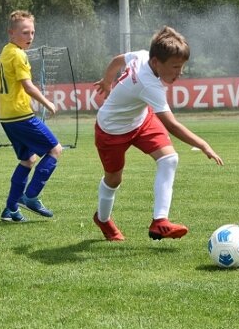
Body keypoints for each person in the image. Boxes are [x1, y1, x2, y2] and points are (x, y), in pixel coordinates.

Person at [92, 26, 224, 241]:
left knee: (169, 159)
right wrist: (203, 144)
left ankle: (160, 222)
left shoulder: (144, 55)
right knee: (114, 179)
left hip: (142, 120)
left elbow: (118, 59)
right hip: (111, 130)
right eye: (174, 67)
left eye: (181, 67)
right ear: (156, 63)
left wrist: (107, 81)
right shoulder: (149, 84)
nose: (179, 73)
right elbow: (172, 125)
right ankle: (103, 219)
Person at [0, 10, 63, 223]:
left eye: (32, 32)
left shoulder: (5, 52)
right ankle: (31, 197)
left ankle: (11, 209)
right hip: (21, 115)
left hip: (7, 117)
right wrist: (48, 102)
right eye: (24, 32)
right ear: (11, 33)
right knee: (55, 149)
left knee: (28, 160)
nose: (30, 37)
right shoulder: (19, 55)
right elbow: (28, 86)